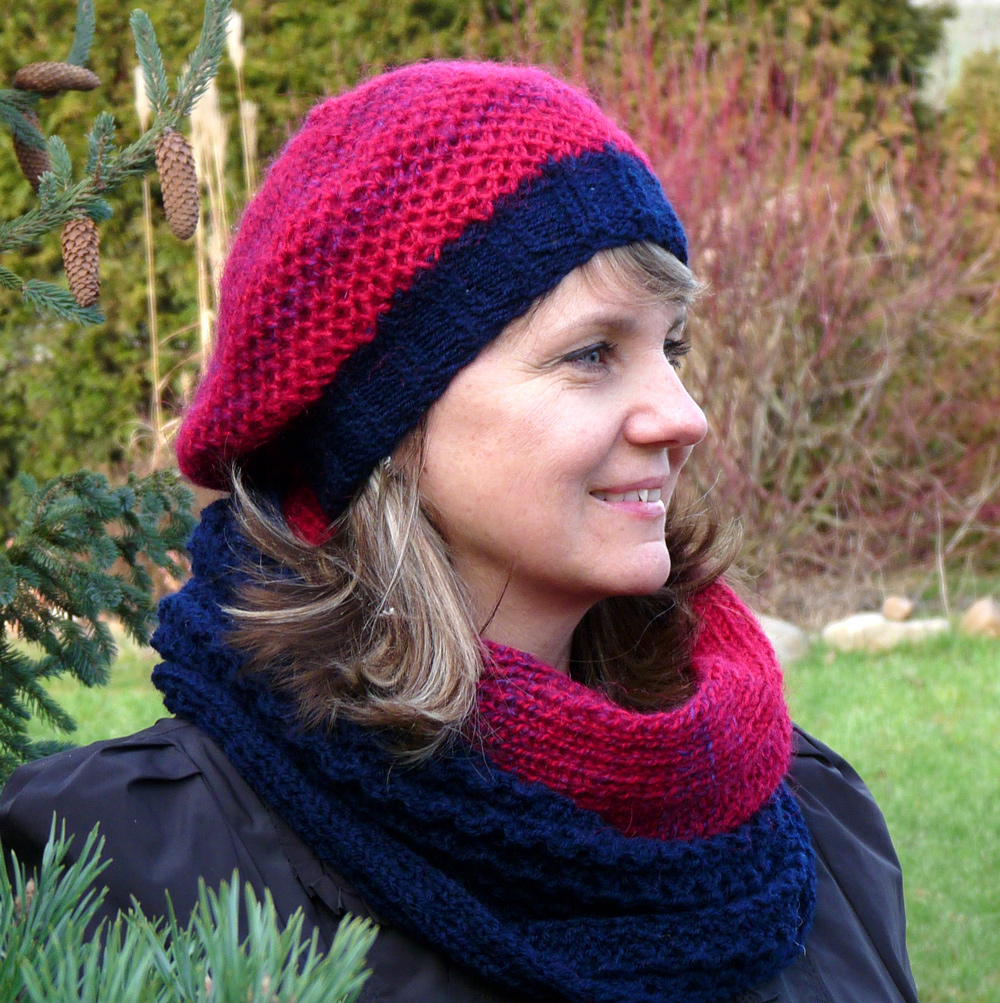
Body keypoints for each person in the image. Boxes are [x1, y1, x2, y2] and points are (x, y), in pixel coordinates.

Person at [0, 61, 919, 1002]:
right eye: (592, 353)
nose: (686, 415)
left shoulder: (806, 814)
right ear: (384, 423)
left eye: (671, 345)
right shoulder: (115, 876)